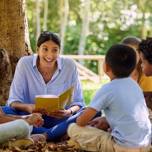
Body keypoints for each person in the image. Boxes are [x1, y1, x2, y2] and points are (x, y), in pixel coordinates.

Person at [2, 31, 85, 141]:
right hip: (31, 117)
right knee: (3, 112)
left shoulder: (69, 65)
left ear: (59, 51)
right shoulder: (25, 63)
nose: (50, 55)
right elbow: (13, 101)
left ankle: (45, 135)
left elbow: (78, 102)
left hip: (59, 119)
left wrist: (68, 112)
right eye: (45, 49)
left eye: (55, 50)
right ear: (38, 49)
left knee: (90, 112)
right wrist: (29, 107)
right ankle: (58, 133)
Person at [68, 44, 151, 152]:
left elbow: (81, 122)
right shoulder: (135, 86)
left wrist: (85, 122)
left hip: (124, 148)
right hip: (146, 145)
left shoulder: (107, 89)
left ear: (106, 66)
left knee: (73, 128)